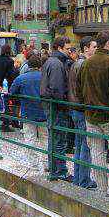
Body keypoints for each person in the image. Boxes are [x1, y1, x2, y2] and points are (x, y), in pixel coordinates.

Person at [77, 31, 109, 200]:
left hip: (91, 115)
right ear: (108, 43)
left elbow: (78, 90)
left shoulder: (86, 64)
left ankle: (101, 187)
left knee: (97, 152)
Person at [40, 36, 74, 182]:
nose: (69, 51)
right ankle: (59, 171)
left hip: (50, 105)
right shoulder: (57, 64)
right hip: (57, 107)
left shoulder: (50, 61)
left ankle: (55, 168)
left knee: (54, 138)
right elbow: (56, 88)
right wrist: (63, 105)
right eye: (67, 49)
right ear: (59, 48)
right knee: (59, 139)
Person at [67, 36, 98, 189]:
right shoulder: (84, 64)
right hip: (82, 109)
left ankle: (78, 179)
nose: (96, 50)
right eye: (94, 47)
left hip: (74, 108)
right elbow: (85, 90)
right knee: (85, 146)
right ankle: (84, 180)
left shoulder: (75, 63)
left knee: (80, 144)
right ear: (86, 48)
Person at [9, 54, 47, 172]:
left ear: (28, 65)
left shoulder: (21, 78)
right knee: (45, 139)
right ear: (40, 65)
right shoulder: (44, 77)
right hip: (43, 112)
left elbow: (12, 92)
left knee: (30, 138)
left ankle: (33, 163)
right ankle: (46, 164)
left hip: (27, 112)